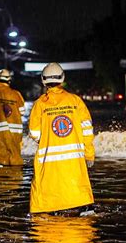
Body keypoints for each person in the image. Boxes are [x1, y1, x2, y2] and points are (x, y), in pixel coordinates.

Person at [29, 62, 95, 215]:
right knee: (79, 197)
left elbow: (34, 132)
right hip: (74, 163)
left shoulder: (39, 105)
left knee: (46, 202)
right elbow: (87, 130)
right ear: (62, 78)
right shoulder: (75, 101)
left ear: (43, 80)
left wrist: (47, 139)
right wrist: (89, 154)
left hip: (48, 163)